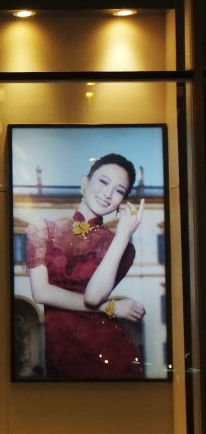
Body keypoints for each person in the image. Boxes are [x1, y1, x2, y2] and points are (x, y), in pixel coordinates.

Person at [26, 153, 147, 380]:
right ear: (85, 181)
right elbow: (41, 292)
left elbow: (93, 296)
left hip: (111, 357)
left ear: (122, 201)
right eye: (103, 181)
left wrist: (122, 235)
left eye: (119, 190)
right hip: (60, 357)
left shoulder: (122, 248)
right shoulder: (43, 228)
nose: (108, 194)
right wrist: (110, 308)